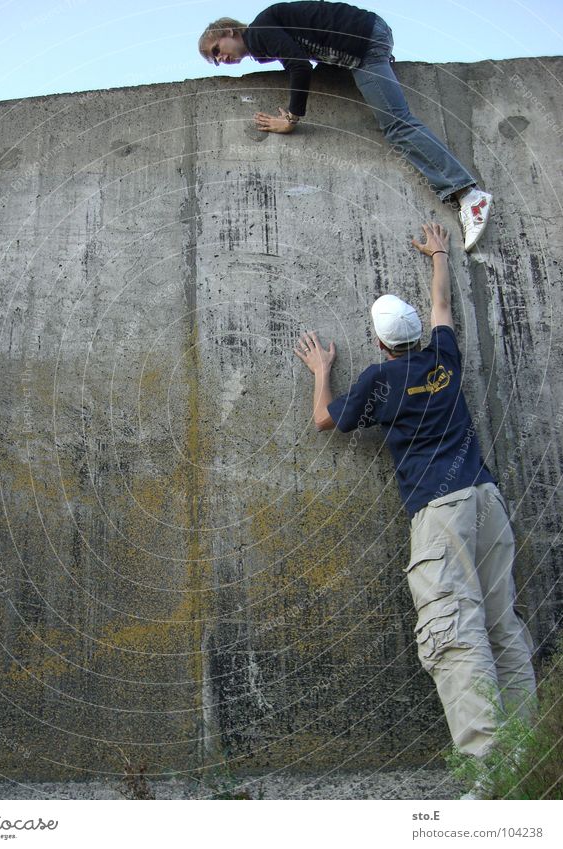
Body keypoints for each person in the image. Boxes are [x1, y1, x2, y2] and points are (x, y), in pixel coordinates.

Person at [293, 222, 537, 790]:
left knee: (454, 632)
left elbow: (325, 420)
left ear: (380, 343)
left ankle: (490, 774)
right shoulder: (443, 358)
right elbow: (442, 306)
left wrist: (322, 372)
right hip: (486, 501)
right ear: (414, 337)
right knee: (503, 626)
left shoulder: (381, 380)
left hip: (440, 512)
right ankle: (531, 756)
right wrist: (438, 255)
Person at [198, 3, 492, 251]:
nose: (220, 59)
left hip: (363, 46)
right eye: (215, 61)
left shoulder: (260, 32)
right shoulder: (266, 32)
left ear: (228, 31)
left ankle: (467, 194)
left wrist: (291, 118)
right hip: (365, 38)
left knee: (397, 126)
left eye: (217, 49)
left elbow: (299, 66)